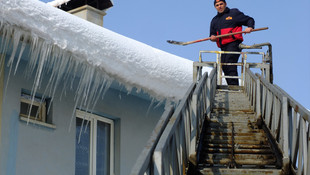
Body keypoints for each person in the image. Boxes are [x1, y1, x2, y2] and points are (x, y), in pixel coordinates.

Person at [210, 0, 255, 85]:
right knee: (224, 65)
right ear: (215, 7)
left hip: (234, 43)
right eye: (217, 5)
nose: (219, 6)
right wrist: (212, 37)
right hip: (223, 46)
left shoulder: (233, 13)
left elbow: (249, 19)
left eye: (221, 4)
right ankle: (231, 86)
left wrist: (250, 27)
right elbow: (212, 34)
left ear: (225, 4)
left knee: (229, 62)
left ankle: (234, 87)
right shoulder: (215, 20)